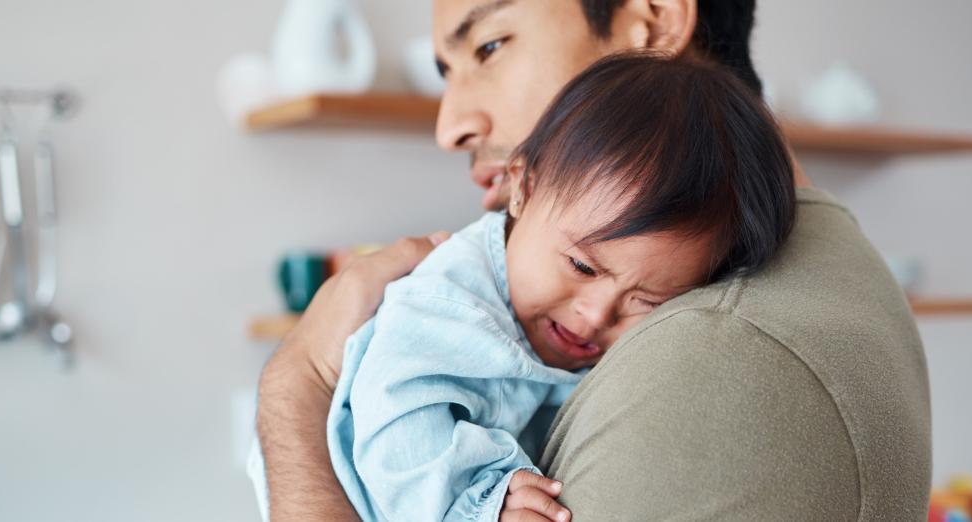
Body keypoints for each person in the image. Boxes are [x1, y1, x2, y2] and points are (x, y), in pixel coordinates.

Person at [253, 1, 932, 520]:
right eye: (445, 72)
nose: (448, 123)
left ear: (653, 18)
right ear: (528, 181)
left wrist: (297, 386)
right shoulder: (471, 298)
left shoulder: (723, 351)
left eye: (489, 46)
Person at [321, 55, 795, 522]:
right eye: (582, 266)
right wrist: (481, 504)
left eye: (647, 301)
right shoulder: (448, 303)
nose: (595, 315)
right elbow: (396, 428)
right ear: (522, 187)